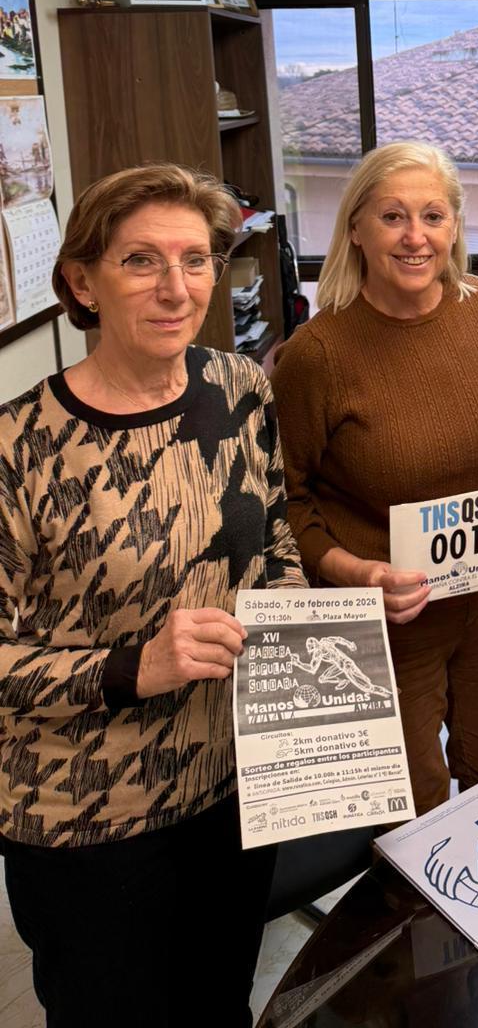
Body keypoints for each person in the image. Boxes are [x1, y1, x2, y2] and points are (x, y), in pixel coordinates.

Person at [0, 163, 305, 1028]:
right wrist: (135, 667)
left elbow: (271, 541)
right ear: (81, 282)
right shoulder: (18, 447)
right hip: (88, 820)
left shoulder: (238, 387)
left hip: (230, 788)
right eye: (142, 261)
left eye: (198, 259)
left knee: (217, 1007)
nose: (178, 288)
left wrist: (310, 622)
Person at [271, 141, 478, 815]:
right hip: (379, 627)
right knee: (410, 817)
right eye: (393, 216)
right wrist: (356, 572)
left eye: (433, 215)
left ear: (455, 226)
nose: (415, 236)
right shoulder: (317, 354)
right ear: (356, 231)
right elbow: (284, 504)